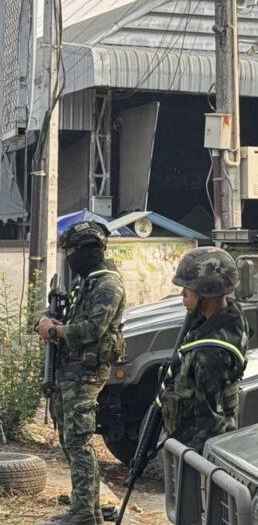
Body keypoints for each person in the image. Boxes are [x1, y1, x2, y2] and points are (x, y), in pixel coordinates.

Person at [35, 221, 125, 525]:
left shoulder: (107, 284)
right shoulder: (85, 282)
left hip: (86, 372)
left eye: (73, 250)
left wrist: (56, 330)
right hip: (70, 370)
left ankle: (84, 511)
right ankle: (88, 506)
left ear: (90, 250)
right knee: (69, 439)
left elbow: (93, 328)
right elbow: (69, 318)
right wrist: (48, 321)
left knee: (79, 440)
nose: (70, 255)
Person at [160, 246, 249, 452]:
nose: (182, 293)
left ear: (206, 292)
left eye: (187, 288)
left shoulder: (211, 352)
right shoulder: (228, 317)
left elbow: (209, 424)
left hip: (194, 451)